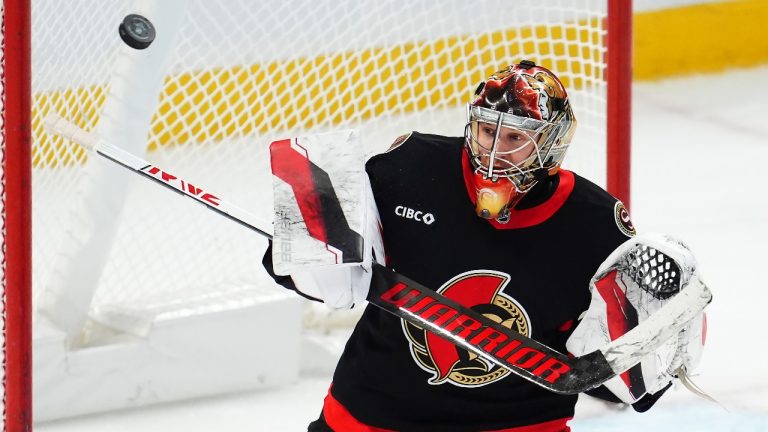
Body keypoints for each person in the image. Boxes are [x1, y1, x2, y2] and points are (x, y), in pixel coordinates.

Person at [263, 60, 705, 431]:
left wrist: (643, 352)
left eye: (516, 138)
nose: (495, 151)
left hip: (515, 423)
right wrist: (304, 238)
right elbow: (300, 269)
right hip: (372, 412)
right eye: (487, 132)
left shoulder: (595, 225)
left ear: (551, 144)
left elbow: (610, 379)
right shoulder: (411, 168)